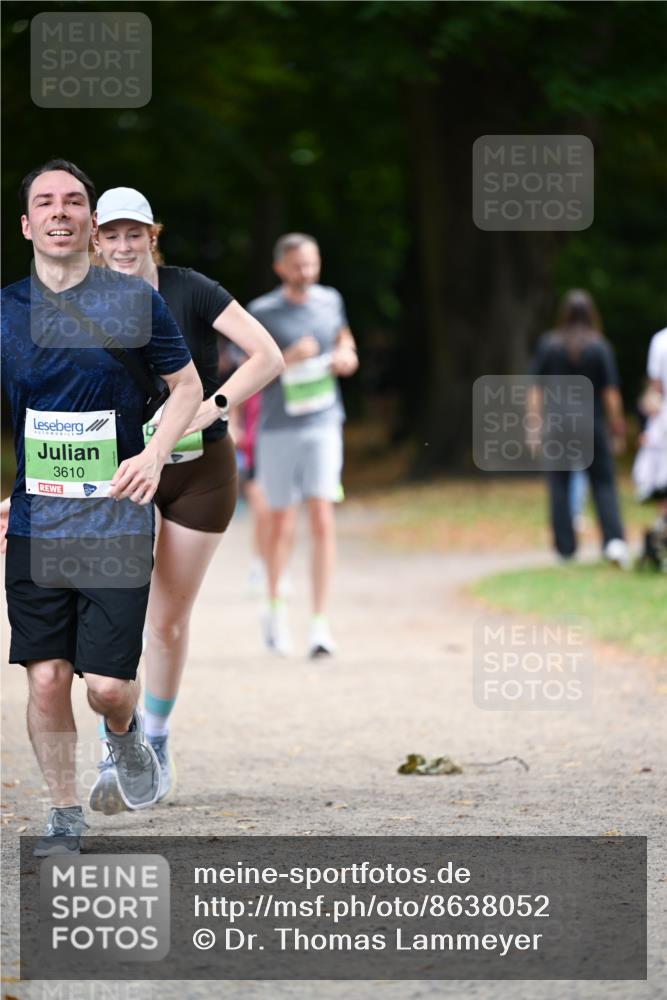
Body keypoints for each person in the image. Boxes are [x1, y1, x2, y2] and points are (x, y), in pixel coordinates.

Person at [0, 160, 202, 855]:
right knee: (49, 677)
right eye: (45, 203)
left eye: (74, 202)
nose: (60, 212)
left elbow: (184, 388)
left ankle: (126, 739)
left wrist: (151, 456)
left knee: (108, 688)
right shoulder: (6, 312)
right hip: (36, 524)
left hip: (114, 521)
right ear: (27, 224)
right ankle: (63, 816)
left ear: (88, 225)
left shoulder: (135, 302)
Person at [88, 187, 283, 812]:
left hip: (200, 470)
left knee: (168, 617)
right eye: (112, 234)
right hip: (123, 472)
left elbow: (268, 355)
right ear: (96, 240)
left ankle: (159, 738)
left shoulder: (190, 288)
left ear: (153, 235)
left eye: (134, 234)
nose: (124, 245)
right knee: (116, 611)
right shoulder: (79, 300)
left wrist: (211, 406)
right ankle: (119, 741)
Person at [247, 233, 358, 657]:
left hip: (324, 420)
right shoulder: (262, 311)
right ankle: (274, 606)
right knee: (281, 522)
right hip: (278, 427)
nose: (306, 273)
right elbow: (246, 368)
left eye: (312, 264)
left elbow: (344, 338)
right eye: (298, 266)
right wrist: (287, 357)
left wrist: (346, 354)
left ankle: (319, 623)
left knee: (322, 515)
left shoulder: (331, 300)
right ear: (281, 267)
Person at [529, 289, 629, 566]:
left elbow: (536, 390)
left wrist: (533, 426)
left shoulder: (549, 345)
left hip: (558, 425)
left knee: (559, 486)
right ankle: (613, 542)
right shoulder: (599, 347)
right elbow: (610, 393)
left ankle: (565, 549)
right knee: (603, 484)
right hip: (591, 425)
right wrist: (617, 429)